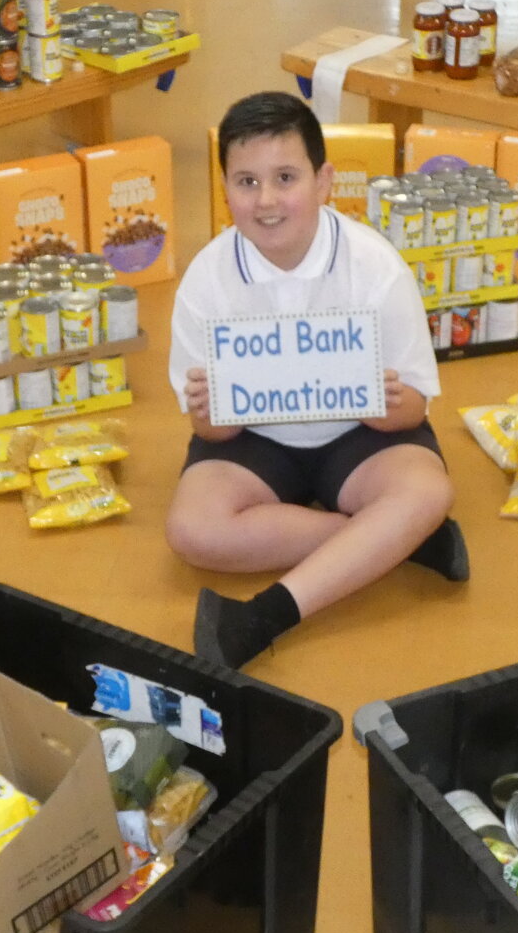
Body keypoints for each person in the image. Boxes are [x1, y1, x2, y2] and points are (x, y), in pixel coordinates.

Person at [166, 91, 466, 670]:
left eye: (285, 177)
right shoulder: (205, 280)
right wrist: (212, 414)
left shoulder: (376, 267)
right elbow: (211, 433)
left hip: (359, 435)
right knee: (191, 530)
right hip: (255, 440)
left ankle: (266, 615)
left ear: (324, 181)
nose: (268, 200)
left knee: (428, 491)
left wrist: (385, 404)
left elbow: (415, 412)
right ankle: (395, 541)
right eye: (246, 182)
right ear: (224, 186)